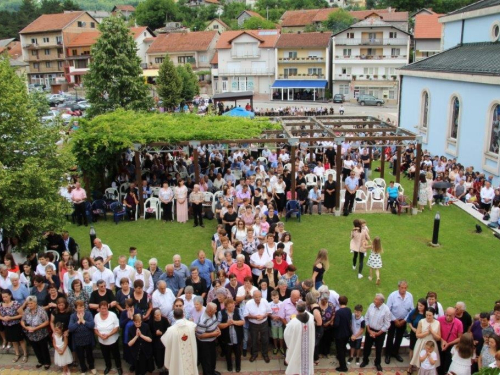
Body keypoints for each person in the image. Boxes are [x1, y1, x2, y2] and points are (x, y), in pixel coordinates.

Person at [360, 293, 391, 372]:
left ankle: (377, 363)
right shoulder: (371, 306)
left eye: (376, 299)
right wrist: (369, 330)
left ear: (381, 302)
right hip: (369, 330)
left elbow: (387, 324)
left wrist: (378, 333)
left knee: (379, 348)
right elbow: (366, 317)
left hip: (379, 333)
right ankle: (365, 360)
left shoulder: (386, 310)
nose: (374, 300)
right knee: (367, 346)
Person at [161, 308, 198, 375]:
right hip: (189, 357)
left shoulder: (171, 330)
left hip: (177, 356)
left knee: (178, 370)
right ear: (183, 315)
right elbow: (195, 327)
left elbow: (164, 340)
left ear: (174, 316)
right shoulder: (191, 326)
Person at [385, 280, 414, 365]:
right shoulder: (392, 296)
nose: (403, 290)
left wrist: (405, 319)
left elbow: (411, 309)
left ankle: (395, 353)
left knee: (399, 337)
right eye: (402, 288)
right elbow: (388, 309)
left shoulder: (410, 296)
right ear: (398, 287)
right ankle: (388, 354)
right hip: (393, 320)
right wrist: (395, 319)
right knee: (390, 337)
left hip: (403, 321)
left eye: (405, 288)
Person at [284, 301, 315, 375]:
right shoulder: (310, 318)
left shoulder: (293, 322)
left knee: (295, 363)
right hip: (308, 347)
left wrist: (289, 344)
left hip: (297, 347)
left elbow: (287, 334)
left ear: (297, 309)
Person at [21, 296, 51, 369]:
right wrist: (25, 327)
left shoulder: (41, 310)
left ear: (35, 303)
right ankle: (40, 361)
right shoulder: (27, 310)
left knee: (44, 349)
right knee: (35, 349)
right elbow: (22, 320)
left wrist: (36, 328)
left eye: (31, 303)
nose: (29, 305)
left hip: (41, 334)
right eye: (28, 303)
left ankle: (47, 362)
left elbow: (47, 322)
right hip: (31, 334)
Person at [94, 301, 123, 375]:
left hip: (112, 339)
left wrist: (108, 335)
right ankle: (108, 366)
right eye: (102, 308)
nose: (104, 310)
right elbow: (95, 329)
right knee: (105, 354)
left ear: (108, 308)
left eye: (105, 308)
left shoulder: (113, 315)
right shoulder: (96, 316)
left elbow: (116, 327)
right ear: (99, 309)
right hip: (102, 340)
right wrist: (100, 335)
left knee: (116, 354)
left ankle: (119, 367)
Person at [68, 300, 96, 375]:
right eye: (79, 308)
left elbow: (92, 325)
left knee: (89, 354)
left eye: (82, 307)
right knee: (80, 356)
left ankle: (92, 367)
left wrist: (83, 321)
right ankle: (83, 369)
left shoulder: (88, 314)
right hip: (78, 340)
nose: (81, 309)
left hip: (88, 339)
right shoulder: (73, 316)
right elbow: (70, 328)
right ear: (76, 309)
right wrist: (78, 322)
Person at [0, 289, 28, 363]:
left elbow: (22, 314)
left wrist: (10, 318)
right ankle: (17, 354)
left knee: (20, 340)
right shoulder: (1, 305)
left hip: (16, 325)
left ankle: (25, 354)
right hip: (7, 326)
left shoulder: (15, 304)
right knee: (13, 341)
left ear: (10, 295)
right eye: (3, 297)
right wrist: (3, 318)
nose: (5, 298)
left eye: (6, 297)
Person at [244, 290, 271, 363]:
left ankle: (265, 354)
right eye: (256, 297)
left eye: (259, 297)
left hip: (264, 323)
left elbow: (269, 312)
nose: (258, 298)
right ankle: (254, 354)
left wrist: (263, 316)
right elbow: (246, 315)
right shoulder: (248, 303)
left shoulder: (265, 301)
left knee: (265, 339)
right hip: (253, 324)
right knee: (254, 340)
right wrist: (255, 317)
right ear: (253, 297)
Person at [218, 298, 244, 372]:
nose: (232, 308)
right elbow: (219, 325)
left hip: (237, 337)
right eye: (230, 307)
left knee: (238, 353)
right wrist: (227, 324)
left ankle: (238, 366)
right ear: (226, 307)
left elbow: (243, 322)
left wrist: (233, 322)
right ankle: (229, 366)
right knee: (228, 353)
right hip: (227, 337)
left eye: (233, 306)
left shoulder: (238, 310)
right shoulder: (221, 313)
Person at [196, 302, 221, 375]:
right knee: (206, 361)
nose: (216, 311)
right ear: (210, 311)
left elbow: (215, 323)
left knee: (213, 358)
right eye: (215, 310)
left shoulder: (212, 315)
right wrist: (213, 334)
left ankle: (212, 371)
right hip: (204, 344)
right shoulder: (203, 320)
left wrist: (218, 330)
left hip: (212, 341)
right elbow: (199, 335)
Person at [437, 307, 463, 375]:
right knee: (439, 363)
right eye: (446, 315)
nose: (448, 317)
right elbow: (436, 332)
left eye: (450, 315)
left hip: (451, 345)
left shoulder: (459, 323)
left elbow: (460, 338)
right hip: (441, 343)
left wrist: (448, 344)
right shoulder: (440, 319)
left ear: (454, 315)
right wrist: (442, 341)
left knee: (447, 363)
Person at [407, 298, 428, 372]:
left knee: (420, 349)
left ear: (425, 306)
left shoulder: (426, 314)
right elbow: (409, 320)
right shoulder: (414, 312)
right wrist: (412, 328)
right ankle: (411, 364)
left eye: (421, 306)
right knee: (412, 348)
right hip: (413, 333)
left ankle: (418, 365)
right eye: (418, 305)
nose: (419, 307)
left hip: (422, 335)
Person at [333, 295, 352, 372]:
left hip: (340, 334)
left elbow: (336, 324)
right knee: (343, 348)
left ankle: (343, 367)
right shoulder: (349, 310)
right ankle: (342, 358)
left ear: (339, 302)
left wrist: (332, 323)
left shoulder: (338, 312)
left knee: (340, 350)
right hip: (347, 332)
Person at [149, 309, 169, 374]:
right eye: (157, 315)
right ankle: (161, 370)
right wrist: (155, 333)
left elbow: (168, 330)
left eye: (159, 314)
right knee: (158, 358)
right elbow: (149, 333)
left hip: (165, 342)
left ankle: (166, 369)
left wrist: (162, 333)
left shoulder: (164, 320)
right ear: (154, 315)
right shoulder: (151, 322)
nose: (159, 316)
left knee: (166, 357)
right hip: (156, 343)